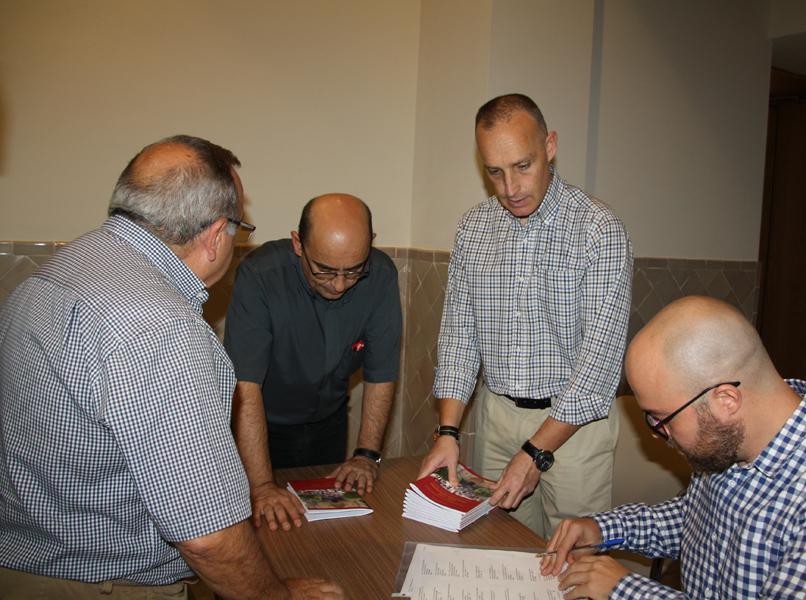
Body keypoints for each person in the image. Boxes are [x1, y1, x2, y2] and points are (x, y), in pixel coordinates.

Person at [0, 135, 343, 599]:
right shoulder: (159, 324)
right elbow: (206, 534)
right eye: (241, 229)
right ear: (216, 234)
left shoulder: (53, 275)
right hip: (105, 584)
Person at [542, 295, 806, 599]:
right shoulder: (729, 444)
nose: (656, 433)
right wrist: (605, 528)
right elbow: (693, 521)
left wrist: (625, 590)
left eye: (661, 418)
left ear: (725, 400)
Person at [419, 93, 633, 538]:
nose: (510, 188)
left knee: (570, 563)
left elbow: (597, 369)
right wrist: (448, 432)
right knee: (502, 552)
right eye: (494, 172)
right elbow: (459, 339)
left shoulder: (599, 230)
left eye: (523, 165)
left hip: (577, 427)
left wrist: (535, 453)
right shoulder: (473, 229)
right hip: (497, 418)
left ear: (550, 146)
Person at [224, 193, 401, 531]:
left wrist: (365, 455)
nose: (339, 284)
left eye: (353, 271)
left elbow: (381, 374)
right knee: (261, 531)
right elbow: (246, 389)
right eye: (324, 270)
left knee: (324, 530)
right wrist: (261, 485)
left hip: (328, 425)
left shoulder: (380, 276)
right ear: (298, 244)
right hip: (261, 430)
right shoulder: (260, 276)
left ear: (371, 244)